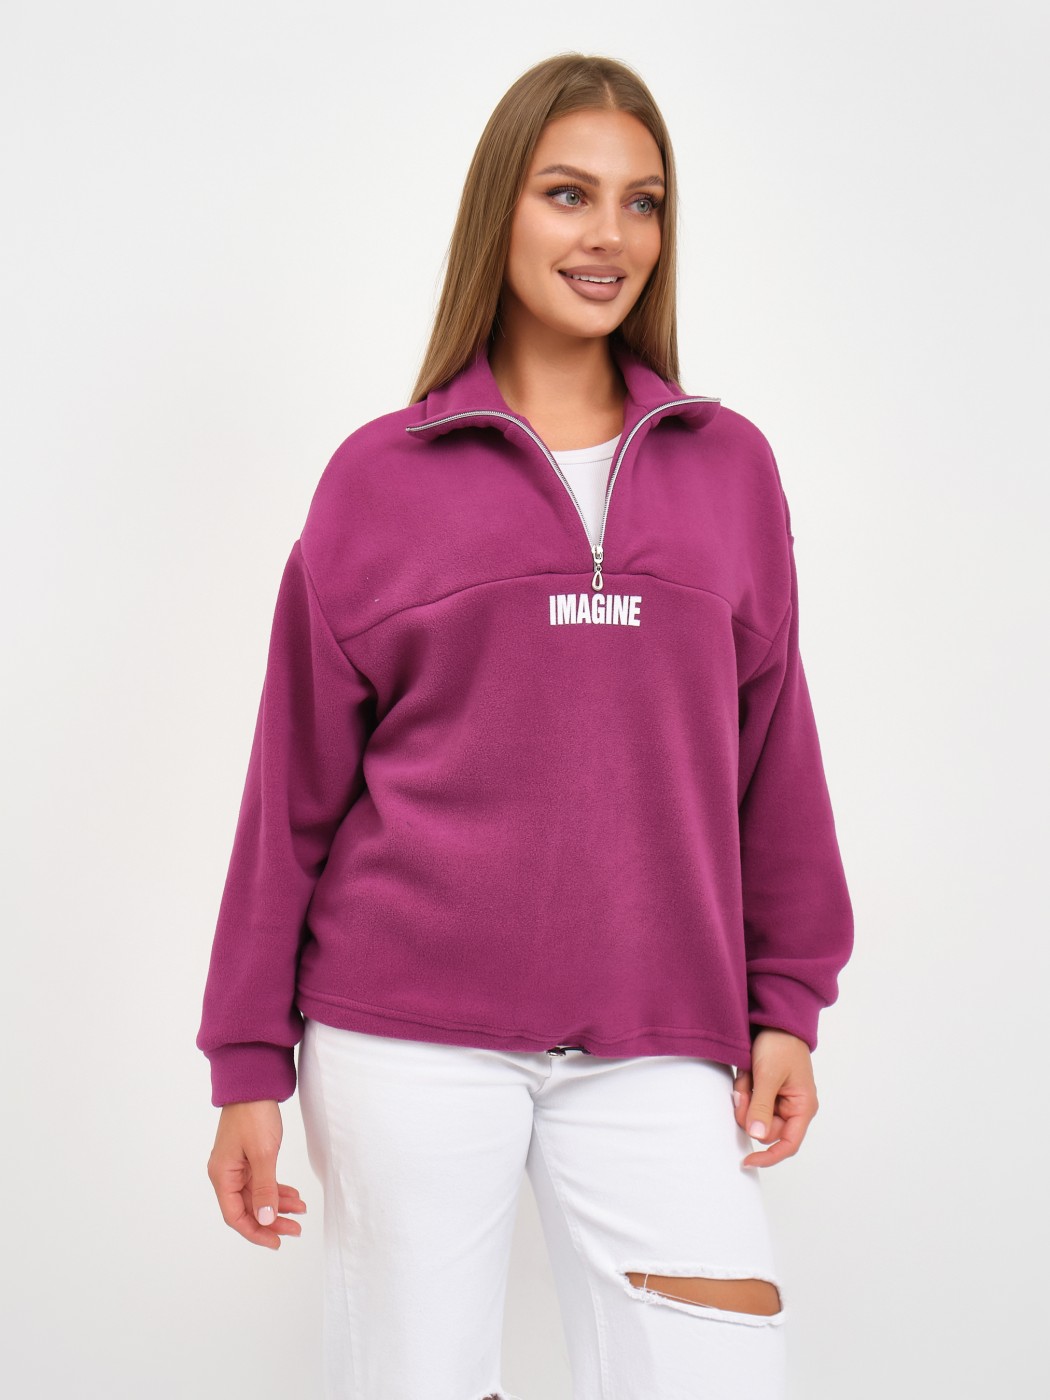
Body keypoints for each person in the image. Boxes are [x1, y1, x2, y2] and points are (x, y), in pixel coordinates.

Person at [196, 52, 854, 1400]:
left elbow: (772, 750)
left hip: (659, 1036)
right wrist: (246, 1062)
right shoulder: (381, 478)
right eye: (568, 194)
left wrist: (785, 1000)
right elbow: (292, 791)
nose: (608, 235)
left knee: (720, 1368)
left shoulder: (728, 467)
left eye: (640, 201)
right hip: (405, 1039)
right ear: (500, 209)